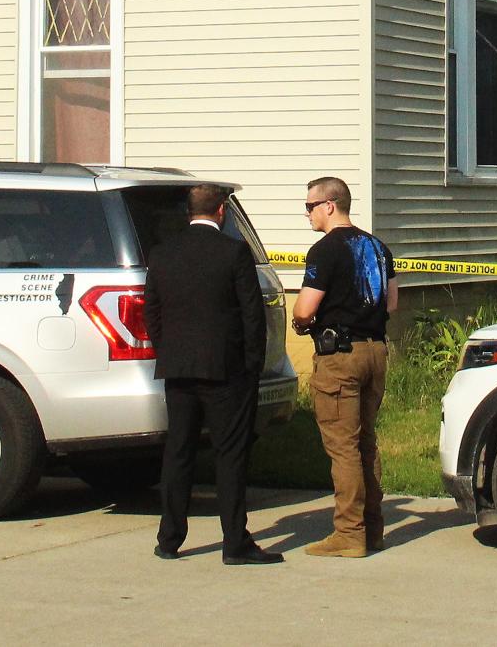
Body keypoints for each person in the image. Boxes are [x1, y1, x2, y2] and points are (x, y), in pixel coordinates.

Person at [144, 183, 283, 565]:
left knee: (179, 451)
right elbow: (251, 315)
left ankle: (169, 538)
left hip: (179, 369)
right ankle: (234, 541)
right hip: (227, 370)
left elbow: (151, 312)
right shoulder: (233, 252)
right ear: (221, 211)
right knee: (230, 454)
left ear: (188, 213)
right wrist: (253, 365)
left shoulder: (162, 253)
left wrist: (168, 350)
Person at [292, 176, 398, 558]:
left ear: (330, 205)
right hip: (375, 352)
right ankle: (373, 529)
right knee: (366, 441)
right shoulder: (378, 247)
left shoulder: (324, 251)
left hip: (340, 357)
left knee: (343, 447)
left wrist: (300, 323)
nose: (307, 213)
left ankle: (348, 534)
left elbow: (305, 309)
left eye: (310, 206)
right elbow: (391, 304)